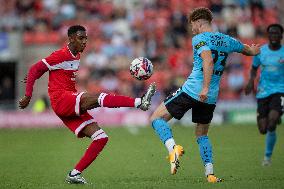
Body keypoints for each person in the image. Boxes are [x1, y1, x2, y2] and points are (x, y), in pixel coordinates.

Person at [19, 25, 156, 184]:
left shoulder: (75, 55)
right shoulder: (61, 55)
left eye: (86, 38)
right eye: (81, 38)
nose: (85, 42)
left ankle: (74, 174)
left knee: (101, 137)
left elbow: (41, 72)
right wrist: (28, 94)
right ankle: (140, 102)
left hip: (66, 102)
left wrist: (32, 78)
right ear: (71, 39)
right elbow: (35, 69)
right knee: (98, 97)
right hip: (61, 99)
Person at [149, 7, 260, 183]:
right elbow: (245, 49)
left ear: (199, 22)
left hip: (194, 90)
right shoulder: (226, 39)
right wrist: (253, 51)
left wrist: (205, 87)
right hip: (211, 96)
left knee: (156, 118)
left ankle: (173, 149)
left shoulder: (199, 38)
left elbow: (207, 59)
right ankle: (210, 174)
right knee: (202, 135)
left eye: (193, 24)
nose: (191, 28)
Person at [245, 24, 284, 166]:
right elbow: (254, 68)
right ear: (268, 36)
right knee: (263, 129)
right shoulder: (261, 52)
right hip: (263, 91)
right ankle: (276, 115)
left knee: (272, 121)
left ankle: (267, 157)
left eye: (276, 33)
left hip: (280, 90)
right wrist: (250, 82)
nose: (274, 36)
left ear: (281, 36)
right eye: (271, 33)